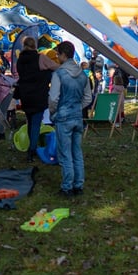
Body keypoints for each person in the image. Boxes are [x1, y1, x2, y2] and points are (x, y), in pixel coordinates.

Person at [48, 41, 92, 197]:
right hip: (77, 117)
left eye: (58, 54)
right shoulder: (82, 75)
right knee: (77, 152)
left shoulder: (59, 74)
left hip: (63, 117)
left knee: (65, 153)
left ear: (64, 55)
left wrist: (55, 112)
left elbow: (53, 98)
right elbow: (88, 98)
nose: (57, 57)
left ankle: (67, 187)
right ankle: (78, 185)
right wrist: (77, 108)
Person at [15, 36, 58, 162]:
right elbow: (56, 67)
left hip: (25, 94)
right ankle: (32, 150)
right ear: (35, 45)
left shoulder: (20, 60)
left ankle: (31, 145)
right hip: (39, 94)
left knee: (29, 121)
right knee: (36, 124)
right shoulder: (40, 57)